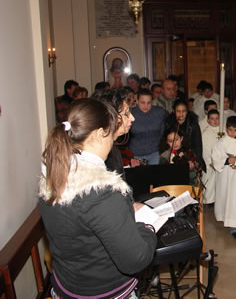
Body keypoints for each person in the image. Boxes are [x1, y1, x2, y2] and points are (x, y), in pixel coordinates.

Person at [39, 98, 157, 298]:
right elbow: (135, 259)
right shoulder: (103, 192)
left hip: (66, 286)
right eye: (110, 134)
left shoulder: (54, 176)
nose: (112, 142)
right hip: (103, 291)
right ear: (99, 134)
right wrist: (147, 227)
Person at [92, 87, 140, 178]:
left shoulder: (113, 150)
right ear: (111, 117)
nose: (132, 118)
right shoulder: (96, 155)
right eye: (126, 113)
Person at [165, 99, 205, 172]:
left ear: (187, 111)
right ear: (174, 111)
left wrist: (196, 162)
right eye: (178, 111)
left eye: (184, 111)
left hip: (190, 157)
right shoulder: (168, 123)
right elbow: (165, 144)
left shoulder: (193, 124)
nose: (181, 114)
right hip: (173, 157)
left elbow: (198, 145)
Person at [129, 89, 167, 165]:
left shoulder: (160, 112)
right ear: (137, 101)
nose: (145, 106)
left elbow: (165, 131)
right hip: (135, 155)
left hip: (155, 153)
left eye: (148, 103)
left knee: (154, 176)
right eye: (142, 102)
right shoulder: (130, 113)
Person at [201, 109, 220, 204]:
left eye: (217, 118)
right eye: (212, 119)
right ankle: (209, 200)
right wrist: (210, 162)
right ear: (208, 120)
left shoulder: (223, 131)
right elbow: (204, 149)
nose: (215, 121)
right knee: (210, 181)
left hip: (221, 162)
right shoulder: (205, 133)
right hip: (210, 163)